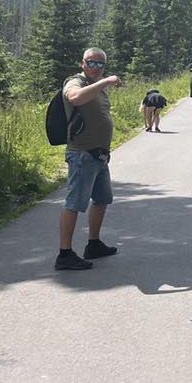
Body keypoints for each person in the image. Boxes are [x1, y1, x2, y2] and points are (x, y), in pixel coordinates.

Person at [56, 47, 121, 271]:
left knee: (102, 199)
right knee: (74, 203)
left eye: (100, 64)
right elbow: (74, 97)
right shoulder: (75, 82)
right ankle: (64, 254)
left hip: (99, 155)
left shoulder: (97, 86)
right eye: (91, 62)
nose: (95, 67)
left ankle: (93, 244)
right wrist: (106, 81)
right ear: (82, 63)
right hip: (82, 154)